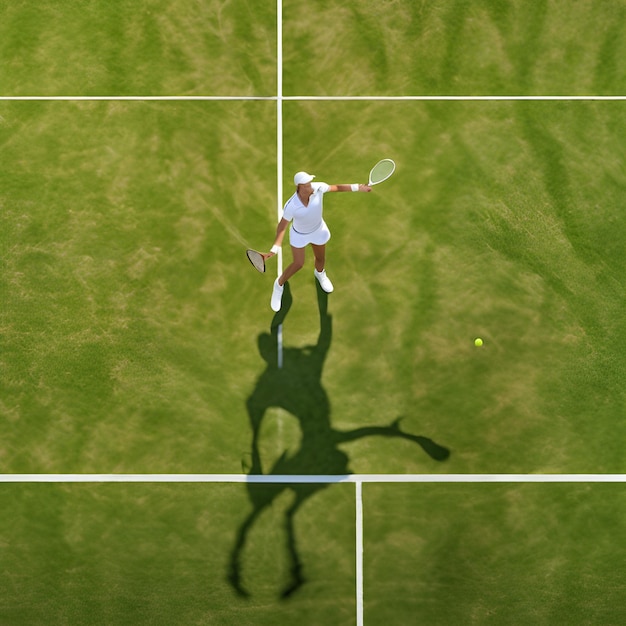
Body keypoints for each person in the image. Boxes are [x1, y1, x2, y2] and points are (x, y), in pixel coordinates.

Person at [263, 171, 371, 311]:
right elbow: (282, 226)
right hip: (299, 235)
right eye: (307, 185)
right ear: (300, 187)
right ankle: (278, 284)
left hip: (318, 230)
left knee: (320, 258)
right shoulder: (292, 205)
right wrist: (275, 246)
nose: (310, 187)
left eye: (310, 183)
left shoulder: (318, 187)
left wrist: (358, 187)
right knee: (298, 264)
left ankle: (320, 274)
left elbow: (337, 188)